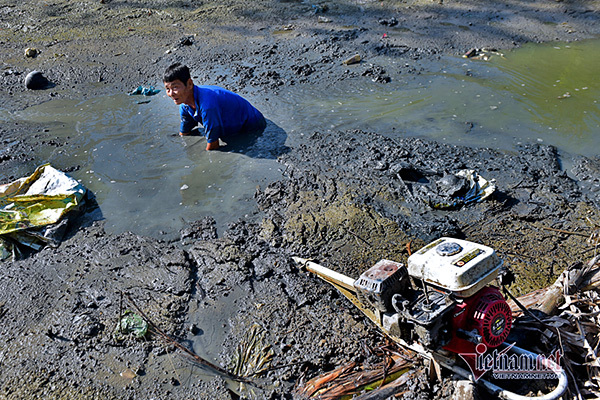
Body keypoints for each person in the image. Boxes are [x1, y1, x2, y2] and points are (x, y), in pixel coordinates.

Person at [163, 63, 267, 151]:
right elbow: (184, 133)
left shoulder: (207, 106)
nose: (171, 93)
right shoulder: (184, 105)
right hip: (232, 122)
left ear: (189, 84)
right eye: (167, 89)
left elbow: (213, 146)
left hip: (253, 125)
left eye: (175, 87)